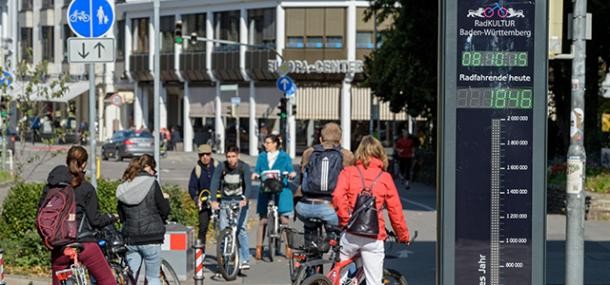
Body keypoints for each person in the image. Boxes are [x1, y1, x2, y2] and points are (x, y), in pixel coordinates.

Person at [332, 136, 410, 285]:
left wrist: (345, 219)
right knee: (374, 281)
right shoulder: (385, 177)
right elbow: (395, 210)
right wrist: (403, 235)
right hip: (374, 236)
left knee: (340, 278)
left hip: (350, 233)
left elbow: (337, 196)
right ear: (380, 153)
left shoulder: (348, 171)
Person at [45, 146, 118, 285]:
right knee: (108, 281)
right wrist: (111, 217)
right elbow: (95, 220)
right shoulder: (86, 188)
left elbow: (42, 216)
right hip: (84, 244)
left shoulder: (51, 187)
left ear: (67, 161)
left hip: (60, 246)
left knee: (58, 277)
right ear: (83, 164)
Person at [116, 154, 170, 285]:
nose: (154, 173)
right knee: (153, 277)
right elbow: (164, 210)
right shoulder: (152, 183)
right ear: (148, 167)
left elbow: (121, 215)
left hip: (131, 238)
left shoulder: (125, 187)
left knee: (131, 277)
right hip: (152, 237)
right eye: (153, 170)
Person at [295, 123, 353, 227]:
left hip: (305, 207)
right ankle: (333, 239)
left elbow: (302, 177)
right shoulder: (346, 155)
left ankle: (310, 239)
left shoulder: (308, 152)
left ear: (321, 139)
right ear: (340, 140)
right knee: (336, 230)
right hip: (331, 207)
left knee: (309, 228)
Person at [252, 134, 296, 260]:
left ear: (275, 144)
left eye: (268, 142)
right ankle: (259, 248)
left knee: (284, 219)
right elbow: (257, 169)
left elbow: (290, 169)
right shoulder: (262, 156)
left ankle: (288, 247)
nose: (266, 145)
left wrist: (291, 174)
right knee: (263, 220)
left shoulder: (284, 156)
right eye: (265, 142)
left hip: (281, 188)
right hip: (266, 188)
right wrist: (255, 174)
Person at [209, 145, 252, 270]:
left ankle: (244, 259)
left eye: (233, 156)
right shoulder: (221, 167)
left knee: (240, 229)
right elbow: (214, 182)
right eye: (228, 156)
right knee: (223, 230)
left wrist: (246, 199)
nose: (231, 159)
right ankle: (223, 260)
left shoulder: (244, 167)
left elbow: (248, 185)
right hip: (225, 201)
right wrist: (213, 200)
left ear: (237, 156)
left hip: (240, 202)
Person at [188, 144, 219, 247]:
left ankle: (227, 252)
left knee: (224, 226)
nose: (205, 157)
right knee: (203, 227)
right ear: (199, 156)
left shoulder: (218, 167)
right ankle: (201, 255)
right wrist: (197, 199)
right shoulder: (197, 169)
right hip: (204, 202)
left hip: (219, 201)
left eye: (207, 154)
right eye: (202, 155)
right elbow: (192, 187)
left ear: (211, 155)